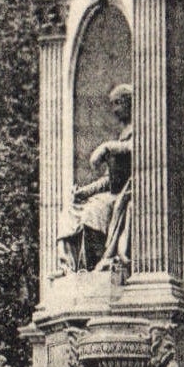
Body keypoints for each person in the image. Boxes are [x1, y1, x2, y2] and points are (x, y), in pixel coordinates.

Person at [56, 84, 132, 272]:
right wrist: (85, 191)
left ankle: (91, 266)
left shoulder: (140, 131)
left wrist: (106, 147)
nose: (114, 109)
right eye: (112, 104)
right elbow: (107, 179)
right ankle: (69, 266)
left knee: (94, 211)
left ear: (129, 103)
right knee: (69, 213)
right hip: (112, 193)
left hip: (127, 193)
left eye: (117, 103)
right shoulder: (121, 135)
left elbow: (133, 148)